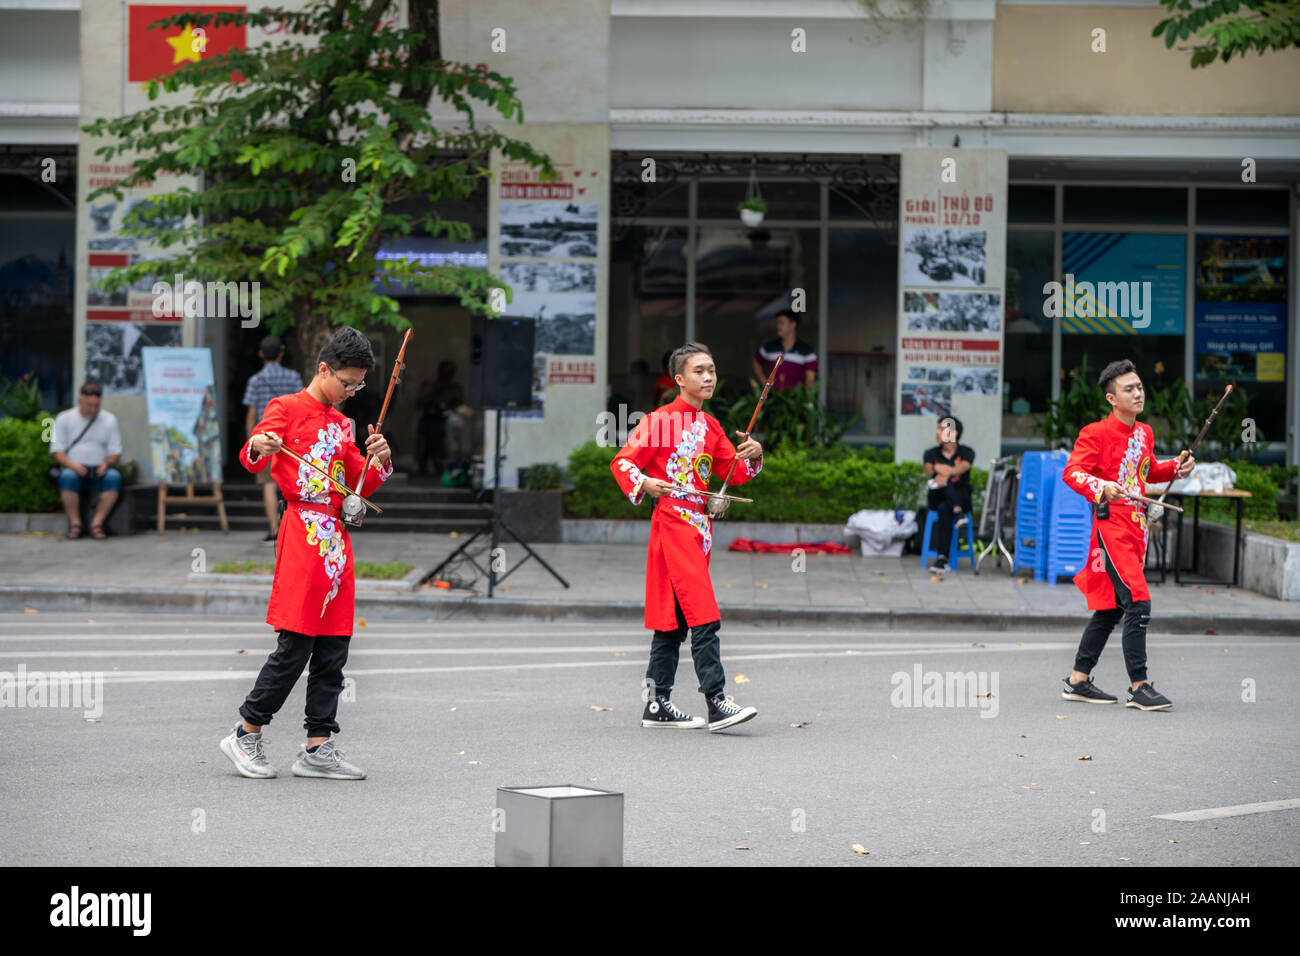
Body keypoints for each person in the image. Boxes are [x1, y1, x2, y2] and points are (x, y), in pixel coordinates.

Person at [220, 327, 393, 780]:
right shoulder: (286, 408)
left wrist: (379, 458)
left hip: (336, 540)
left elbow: (359, 484)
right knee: (295, 644)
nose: (353, 391)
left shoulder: (343, 423)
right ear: (323, 369)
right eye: (348, 382)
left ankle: (318, 746)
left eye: (359, 385)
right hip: (302, 533)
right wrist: (259, 444)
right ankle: (245, 732)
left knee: (334, 647)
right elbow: (253, 450)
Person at [610, 342, 763, 732]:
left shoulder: (711, 426)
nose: (708, 376)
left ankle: (657, 703)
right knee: (704, 613)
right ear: (679, 379)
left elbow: (734, 474)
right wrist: (646, 481)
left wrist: (754, 454)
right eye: (699, 371)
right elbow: (623, 461)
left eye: (711, 369)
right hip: (673, 526)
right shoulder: (659, 420)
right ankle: (716, 701)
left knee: (673, 622)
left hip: (700, 530)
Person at [1060, 359, 1195, 712]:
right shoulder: (1095, 433)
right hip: (1111, 528)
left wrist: (1175, 468)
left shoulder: (1144, 433)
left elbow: (1145, 474)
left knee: (1109, 606)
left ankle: (1077, 680)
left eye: (1139, 386)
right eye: (1128, 389)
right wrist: (1101, 486)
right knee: (1138, 599)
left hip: (1137, 530)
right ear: (1111, 398)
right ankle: (1139, 686)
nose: (1138, 393)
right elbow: (1071, 473)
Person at [242, 336, 304, 541]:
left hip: (267, 437)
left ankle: (274, 529)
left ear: (260, 354)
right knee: (293, 482)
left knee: (268, 484)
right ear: (281, 354)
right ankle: (292, 529)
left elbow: (251, 414)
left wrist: (252, 442)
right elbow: (301, 407)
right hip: (292, 438)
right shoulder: (294, 377)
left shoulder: (255, 380)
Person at [50, 381, 123, 540]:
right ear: (80, 400)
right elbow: (57, 451)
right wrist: (72, 465)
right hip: (74, 469)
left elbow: (115, 452)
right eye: (89, 405)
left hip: (99, 470)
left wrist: (107, 463)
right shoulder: (64, 418)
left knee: (114, 477)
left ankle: (96, 524)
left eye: (96, 405)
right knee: (67, 477)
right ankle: (75, 524)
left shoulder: (109, 420)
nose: (93, 409)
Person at [921, 415, 976, 574]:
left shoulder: (966, 452)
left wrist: (943, 472)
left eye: (941, 429)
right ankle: (958, 514)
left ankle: (942, 559)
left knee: (945, 507)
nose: (937, 432)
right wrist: (939, 471)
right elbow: (927, 469)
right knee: (944, 490)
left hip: (960, 497)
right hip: (937, 497)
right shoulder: (931, 453)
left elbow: (963, 467)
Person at [752, 310, 817, 391]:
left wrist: (806, 400)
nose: (778, 326)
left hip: (795, 400)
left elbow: (810, 379)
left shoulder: (806, 350)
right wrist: (763, 380)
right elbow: (756, 361)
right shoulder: (769, 347)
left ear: (793, 325)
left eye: (781, 322)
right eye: (777, 323)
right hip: (773, 398)